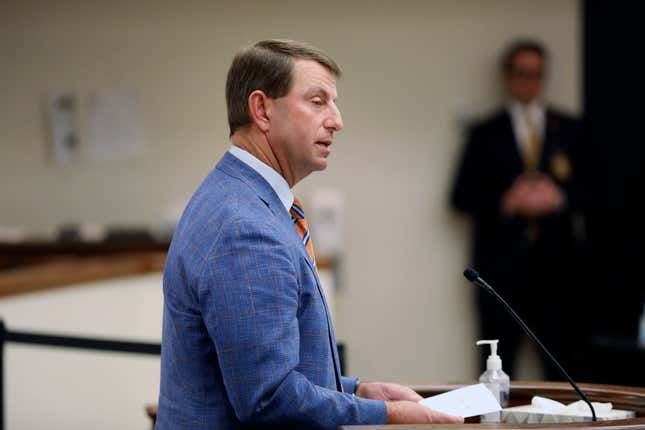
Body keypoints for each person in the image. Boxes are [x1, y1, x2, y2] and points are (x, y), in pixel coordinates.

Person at [157, 39, 462, 429]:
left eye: (333, 103)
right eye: (318, 101)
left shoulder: (244, 199)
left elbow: (267, 369)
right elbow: (269, 399)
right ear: (262, 109)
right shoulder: (245, 228)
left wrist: (355, 391)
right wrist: (389, 416)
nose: (337, 120)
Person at [451, 39, 588, 381]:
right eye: (522, 73)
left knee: (563, 372)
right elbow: (460, 196)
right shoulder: (485, 132)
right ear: (508, 76)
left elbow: (600, 192)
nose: (529, 81)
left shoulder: (570, 129)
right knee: (496, 371)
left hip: (559, 272)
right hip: (501, 272)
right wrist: (507, 201)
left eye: (537, 74)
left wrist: (559, 199)